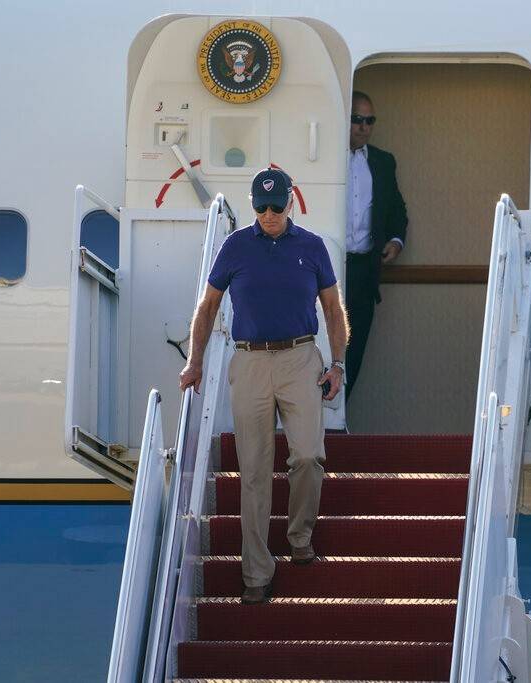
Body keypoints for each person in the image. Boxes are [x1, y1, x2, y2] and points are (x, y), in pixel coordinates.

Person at [179, 167, 349, 604]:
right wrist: (195, 361)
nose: (269, 214)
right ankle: (256, 574)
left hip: (299, 357)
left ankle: (299, 537)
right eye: (260, 207)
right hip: (250, 361)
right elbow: (208, 306)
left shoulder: (312, 247)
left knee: (308, 456)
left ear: (290, 203)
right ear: (253, 205)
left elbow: (332, 309)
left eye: (276, 206)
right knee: (254, 471)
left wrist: (338, 364)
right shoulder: (235, 246)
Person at [344, 90, 409, 399]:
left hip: (363, 270)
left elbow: (397, 210)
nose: (364, 127)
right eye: (357, 119)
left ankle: (337, 421)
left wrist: (396, 241)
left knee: (354, 349)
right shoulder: (324, 159)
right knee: (315, 346)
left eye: (369, 120)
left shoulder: (383, 162)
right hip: (326, 266)